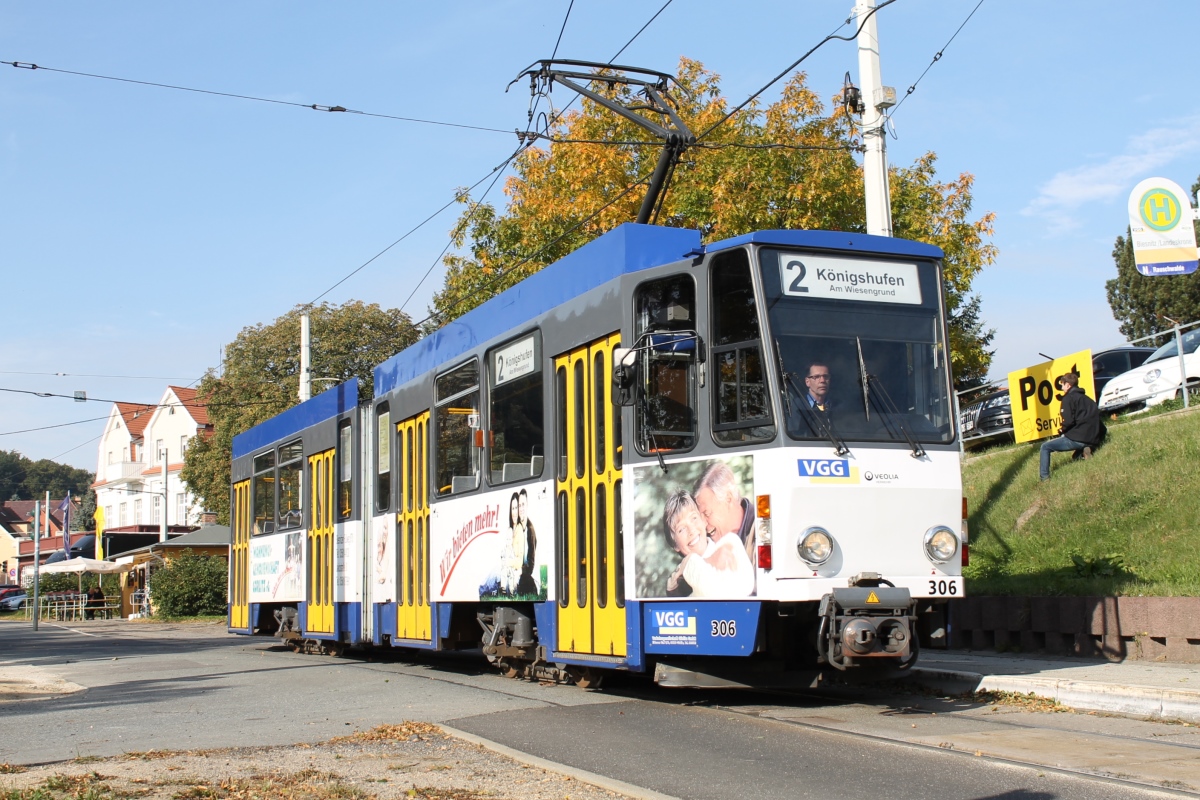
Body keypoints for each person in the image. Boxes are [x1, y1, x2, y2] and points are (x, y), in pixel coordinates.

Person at [663, 490, 754, 598]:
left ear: (704, 521)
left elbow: (745, 587)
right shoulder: (676, 583)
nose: (691, 530)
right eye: (681, 529)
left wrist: (690, 564)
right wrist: (706, 560)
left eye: (694, 518)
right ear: (675, 545)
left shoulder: (730, 543)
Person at [1039, 372, 1103, 481]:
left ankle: (1044, 478)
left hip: (1078, 438)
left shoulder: (1068, 398)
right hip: (1094, 438)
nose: (1061, 387)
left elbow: (1068, 421)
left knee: (1045, 447)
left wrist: (1061, 430)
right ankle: (1085, 449)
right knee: (1075, 457)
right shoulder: (1088, 399)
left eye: (1062, 385)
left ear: (1068, 385)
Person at [694, 461, 755, 564]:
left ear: (728, 499)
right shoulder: (707, 545)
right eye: (700, 517)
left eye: (707, 513)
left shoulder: (761, 531)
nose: (703, 524)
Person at [515, 488, 539, 596]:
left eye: (523, 505)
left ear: (527, 505)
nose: (521, 508)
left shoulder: (530, 530)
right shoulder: (517, 528)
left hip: (528, 579)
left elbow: (531, 565)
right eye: (519, 505)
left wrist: (520, 570)